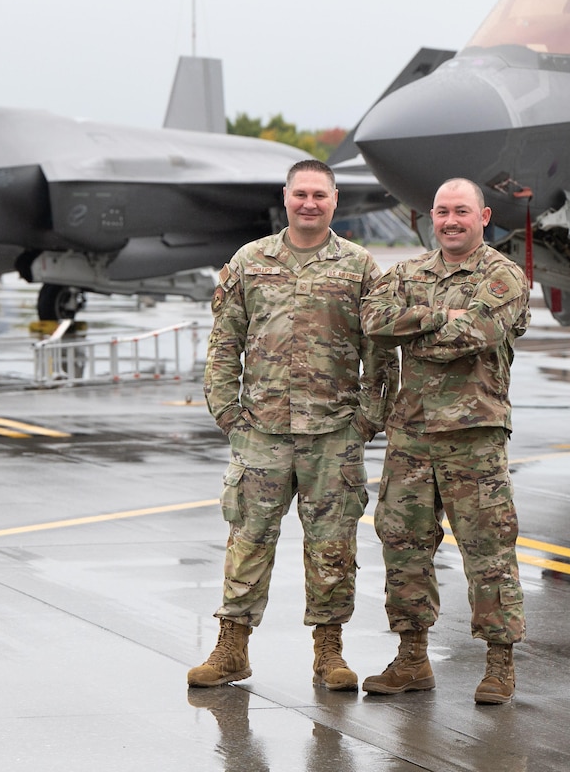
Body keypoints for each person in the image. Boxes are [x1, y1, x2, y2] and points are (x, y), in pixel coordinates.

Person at [189, 158, 396, 690]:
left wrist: (367, 420)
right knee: (248, 540)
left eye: (319, 196)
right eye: (300, 194)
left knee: (332, 547)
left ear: (334, 202)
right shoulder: (250, 260)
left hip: (333, 436)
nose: (309, 203)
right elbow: (224, 343)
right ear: (286, 197)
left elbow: (379, 353)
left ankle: (329, 653)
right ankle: (231, 648)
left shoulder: (359, 267)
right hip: (261, 432)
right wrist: (228, 415)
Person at [359, 177, 530, 703]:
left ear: (483, 217)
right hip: (410, 434)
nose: (450, 220)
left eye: (461, 211)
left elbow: (477, 335)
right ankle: (412, 658)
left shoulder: (503, 275)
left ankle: (499, 664)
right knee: (403, 544)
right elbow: (371, 320)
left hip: (473, 435)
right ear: (430, 218)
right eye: (441, 212)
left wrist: (415, 331)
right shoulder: (410, 272)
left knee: (488, 549)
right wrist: (438, 317)